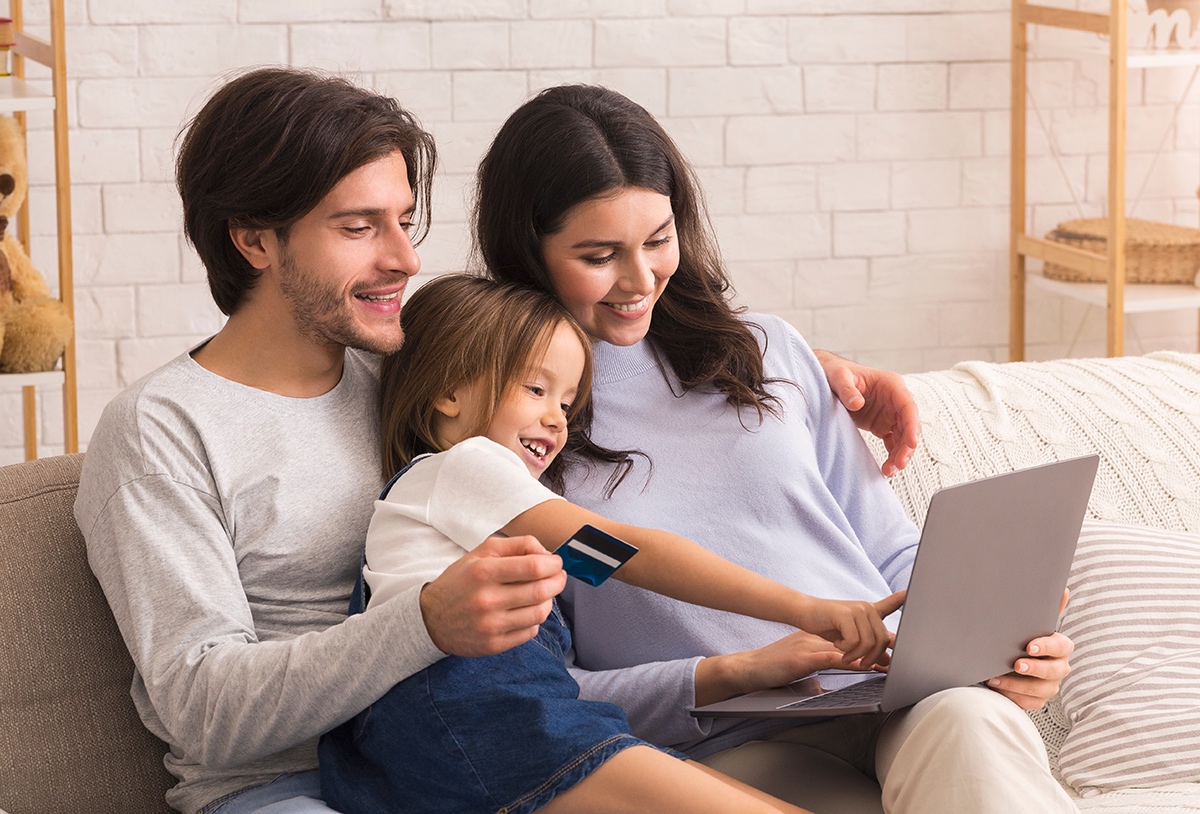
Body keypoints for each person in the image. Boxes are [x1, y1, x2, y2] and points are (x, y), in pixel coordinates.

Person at [72, 67, 919, 814]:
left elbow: (593, 396)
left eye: (406, 220)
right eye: (359, 227)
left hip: (480, 743)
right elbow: (202, 710)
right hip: (289, 785)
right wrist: (426, 626)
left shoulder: (414, 380)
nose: (406, 258)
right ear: (253, 239)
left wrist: (812, 369)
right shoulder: (162, 431)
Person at [472, 83, 1078, 814]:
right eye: (599, 255)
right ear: (526, 251)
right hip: (722, 746)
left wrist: (996, 639)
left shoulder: (769, 353)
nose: (639, 282)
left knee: (975, 724)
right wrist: (735, 671)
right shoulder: (508, 426)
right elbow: (549, 692)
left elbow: (889, 555)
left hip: (896, 697)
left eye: (658, 241)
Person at [319, 273, 904, 813]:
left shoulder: (503, 515)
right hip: (470, 710)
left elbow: (598, 560)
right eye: (535, 388)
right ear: (447, 392)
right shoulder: (464, 469)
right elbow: (629, 555)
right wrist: (806, 608)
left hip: (529, 710)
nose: (556, 420)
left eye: (567, 403)